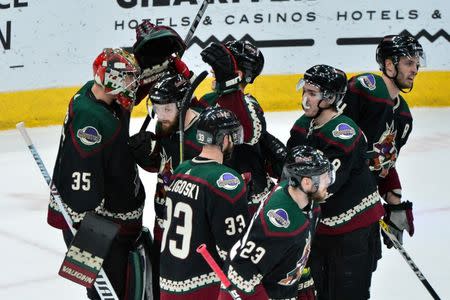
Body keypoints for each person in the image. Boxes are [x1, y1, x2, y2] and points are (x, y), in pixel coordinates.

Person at [48, 48, 149, 299]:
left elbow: (128, 101)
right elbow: (81, 187)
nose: (130, 84)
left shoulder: (94, 94)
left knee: (125, 286)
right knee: (110, 293)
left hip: (110, 224)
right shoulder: (90, 121)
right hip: (96, 225)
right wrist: (88, 234)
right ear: (110, 80)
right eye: (125, 78)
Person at [287, 65, 384, 299]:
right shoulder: (303, 125)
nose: (305, 99)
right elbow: (289, 170)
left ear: (329, 98)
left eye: (312, 93)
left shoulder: (344, 133)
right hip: (322, 229)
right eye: (305, 92)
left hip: (353, 233)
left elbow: (323, 188)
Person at [219, 145, 334, 300]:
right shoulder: (278, 224)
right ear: (306, 182)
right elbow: (240, 269)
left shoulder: (307, 201)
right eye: (324, 176)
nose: (328, 181)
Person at [342, 34, 425, 248]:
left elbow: (385, 163)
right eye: (408, 63)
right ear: (389, 65)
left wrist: (394, 202)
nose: (415, 69)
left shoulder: (404, 117)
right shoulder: (364, 89)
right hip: (334, 197)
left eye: (416, 63)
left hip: (365, 204)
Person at [159, 106, 250, 299]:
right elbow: (233, 248)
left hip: (168, 282)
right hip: (203, 286)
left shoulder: (181, 170)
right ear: (224, 139)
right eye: (233, 136)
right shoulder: (225, 180)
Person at [128, 71, 204, 298]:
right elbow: (165, 166)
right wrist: (150, 156)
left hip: (190, 228)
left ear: (183, 104)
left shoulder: (202, 137)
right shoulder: (167, 127)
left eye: (167, 109)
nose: (161, 116)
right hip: (163, 219)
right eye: (157, 108)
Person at [199, 40, 287, 214]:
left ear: (236, 74)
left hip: (245, 196)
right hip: (211, 185)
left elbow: (246, 133)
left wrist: (228, 85)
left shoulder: (250, 105)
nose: (213, 72)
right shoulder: (208, 99)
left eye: (219, 69)